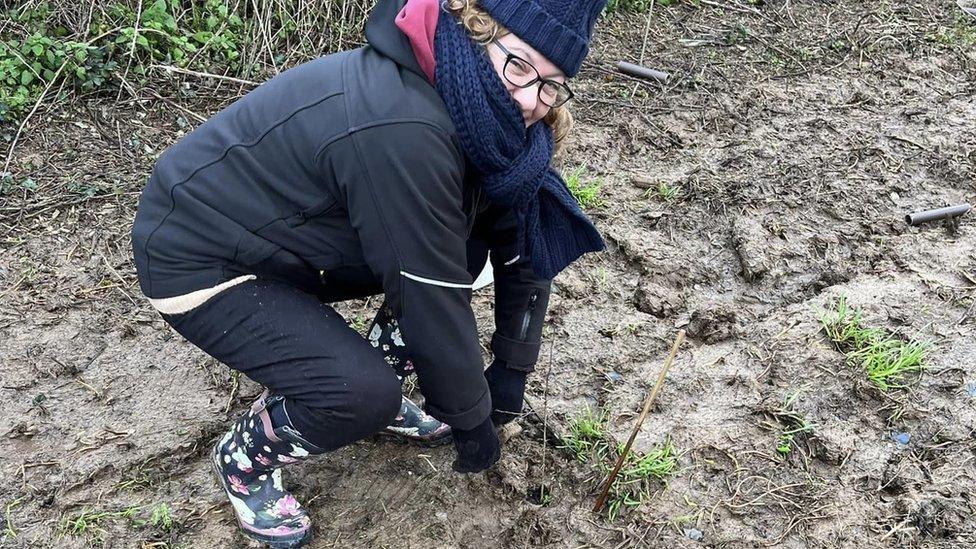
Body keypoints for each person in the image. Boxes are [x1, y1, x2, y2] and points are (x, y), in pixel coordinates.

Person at [129, 0, 607, 546]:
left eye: (551, 84)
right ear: (474, 32)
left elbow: (522, 242)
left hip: (288, 239)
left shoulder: (487, 124)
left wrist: (510, 371)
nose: (530, 100)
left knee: (465, 252)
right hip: (195, 254)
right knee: (361, 394)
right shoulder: (404, 125)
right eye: (519, 65)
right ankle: (244, 458)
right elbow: (427, 292)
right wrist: (472, 422)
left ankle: (353, 382)